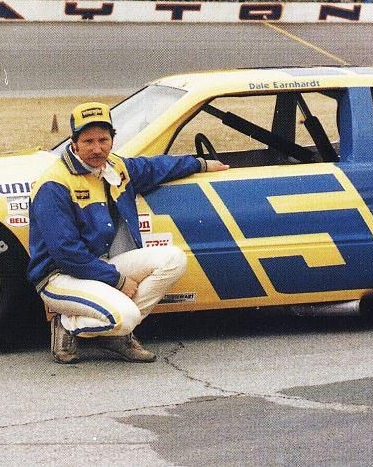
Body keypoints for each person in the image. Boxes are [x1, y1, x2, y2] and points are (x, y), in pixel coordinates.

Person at [29, 102, 228, 364]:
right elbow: (66, 253)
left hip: (100, 266)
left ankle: (115, 333)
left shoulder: (115, 167)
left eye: (103, 140)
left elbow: (156, 167)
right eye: (88, 141)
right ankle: (67, 324)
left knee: (173, 259)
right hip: (60, 276)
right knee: (128, 317)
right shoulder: (54, 184)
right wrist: (118, 280)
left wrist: (200, 164)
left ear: (112, 139)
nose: (97, 149)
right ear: (74, 143)